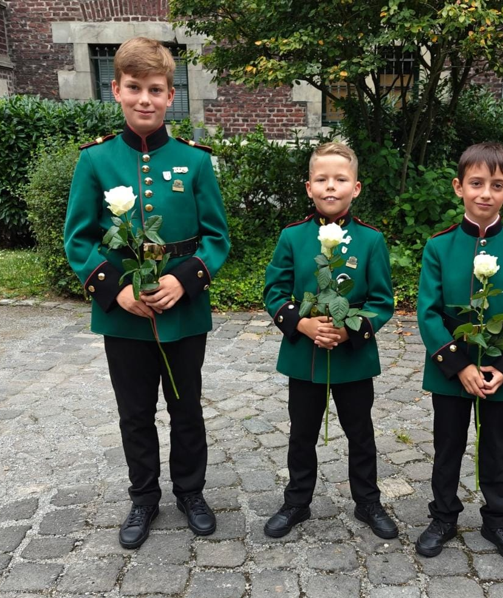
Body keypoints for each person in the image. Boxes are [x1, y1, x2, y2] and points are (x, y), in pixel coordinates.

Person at [64, 37, 230, 549]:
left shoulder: (194, 161)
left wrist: (185, 280)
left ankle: (191, 493)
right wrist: (116, 291)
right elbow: (78, 239)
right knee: (135, 412)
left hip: (183, 311)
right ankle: (143, 498)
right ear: (115, 89)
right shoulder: (95, 161)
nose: (144, 99)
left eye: (155, 89)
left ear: (170, 95)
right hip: (124, 315)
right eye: (134, 88)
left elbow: (217, 238)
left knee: (187, 407)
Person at [263, 142, 398, 539]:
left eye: (340, 179)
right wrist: (303, 325)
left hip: (352, 355)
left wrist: (349, 329)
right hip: (304, 354)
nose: (330, 186)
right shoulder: (292, 237)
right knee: (301, 433)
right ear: (309, 188)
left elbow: (381, 302)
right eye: (322, 179)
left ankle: (368, 501)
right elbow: (274, 292)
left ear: (355, 188)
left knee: (361, 433)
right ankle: (296, 501)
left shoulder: (371, 241)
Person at [415, 142, 503, 564]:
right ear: (459, 187)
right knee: (447, 445)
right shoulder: (439, 247)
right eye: (476, 183)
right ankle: (443, 516)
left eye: (496, 185)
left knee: (496, 447)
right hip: (451, 372)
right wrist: (460, 366)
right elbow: (428, 313)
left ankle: (497, 520)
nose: (485, 193)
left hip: (499, 373)